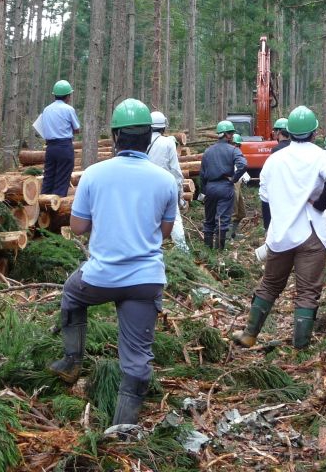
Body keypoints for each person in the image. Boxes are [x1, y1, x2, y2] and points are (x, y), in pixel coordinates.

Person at [48, 98, 177, 427]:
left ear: (115, 137)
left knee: (72, 294)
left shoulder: (94, 175)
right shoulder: (165, 181)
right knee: (136, 361)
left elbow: (77, 226)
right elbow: (164, 232)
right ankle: (123, 430)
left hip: (100, 277)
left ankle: (71, 360)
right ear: (149, 137)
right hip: (145, 280)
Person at [233, 105, 326, 349]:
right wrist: (321, 205)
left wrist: (269, 229)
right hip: (312, 234)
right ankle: (300, 346)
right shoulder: (321, 155)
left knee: (270, 284)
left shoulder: (275, 159)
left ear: (288, 132)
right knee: (307, 291)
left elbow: (264, 198)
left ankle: (250, 334)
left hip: (282, 235)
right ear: (315, 132)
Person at [199, 120, 247, 249]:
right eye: (231, 133)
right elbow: (243, 165)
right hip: (225, 187)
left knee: (209, 221)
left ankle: (208, 252)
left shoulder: (208, 151)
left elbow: (202, 174)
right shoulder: (233, 150)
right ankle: (219, 252)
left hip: (210, 187)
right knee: (222, 221)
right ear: (228, 135)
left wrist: (204, 191)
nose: (231, 136)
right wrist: (234, 179)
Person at [147, 111, 188, 251]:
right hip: (165, 188)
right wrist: (180, 196)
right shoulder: (168, 143)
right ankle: (183, 252)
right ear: (163, 127)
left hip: (146, 189)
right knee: (175, 220)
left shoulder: (142, 142)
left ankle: (151, 250)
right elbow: (176, 172)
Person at [38, 80, 80, 197]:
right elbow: (77, 129)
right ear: (67, 96)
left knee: (48, 179)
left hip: (50, 148)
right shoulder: (68, 109)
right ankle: (57, 209)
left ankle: (43, 207)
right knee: (62, 181)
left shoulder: (46, 109)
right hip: (64, 147)